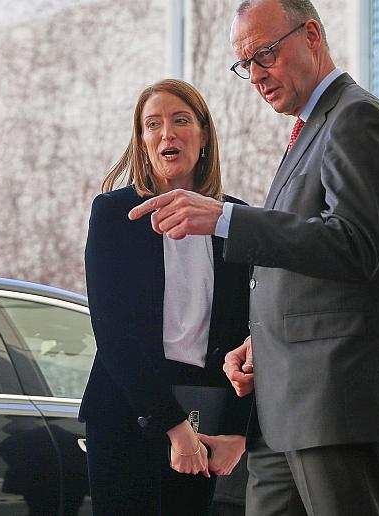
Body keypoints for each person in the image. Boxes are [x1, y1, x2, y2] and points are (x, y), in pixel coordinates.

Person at [128, 0, 379, 515]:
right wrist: (259, 341)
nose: (257, 75)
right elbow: (307, 264)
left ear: (311, 35)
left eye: (265, 54)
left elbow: (355, 245)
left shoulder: (357, 119)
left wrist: (226, 218)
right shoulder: (310, 130)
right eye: (245, 64)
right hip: (284, 401)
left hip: (335, 398)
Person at [78, 79, 251, 516]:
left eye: (181, 120)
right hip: (126, 412)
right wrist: (174, 428)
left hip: (207, 419)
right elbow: (114, 334)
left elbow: (250, 334)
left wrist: (237, 430)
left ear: (204, 134)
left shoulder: (235, 220)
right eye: (152, 124)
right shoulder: (114, 214)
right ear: (142, 141)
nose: (166, 134)